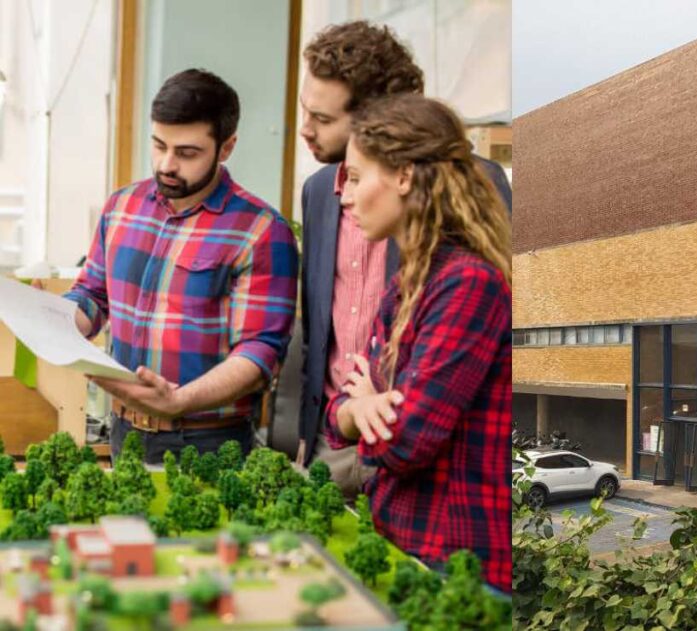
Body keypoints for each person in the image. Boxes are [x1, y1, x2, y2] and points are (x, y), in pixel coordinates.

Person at [293, 20, 511, 495]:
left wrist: (378, 413)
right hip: (334, 438)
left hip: (429, 458)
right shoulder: (316, 193)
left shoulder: (476, 191)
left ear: (378, 120)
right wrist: (332, 423)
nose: (305, 130)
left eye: (324, 119)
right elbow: (317, 332)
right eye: (305, 111)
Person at [325, 94, 511, 592]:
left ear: (404, 176)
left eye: (358, 178)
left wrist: (364, 403)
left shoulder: (467, 284)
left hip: (458, 566)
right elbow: (340, 410)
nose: (345, 197)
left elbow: (407, 441)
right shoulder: (409, 283)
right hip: (406, 544)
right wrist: (357, 407)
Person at [66, 69, 299, 464]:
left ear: (226, 148)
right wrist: (55, 323)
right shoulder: (122, 207)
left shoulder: (261, 230)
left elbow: (260, 352)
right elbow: (93, 294)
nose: (167, 165)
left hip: (208, 442)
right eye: (159, 145)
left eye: (187, 153)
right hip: (125, 432)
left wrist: (178, 401)